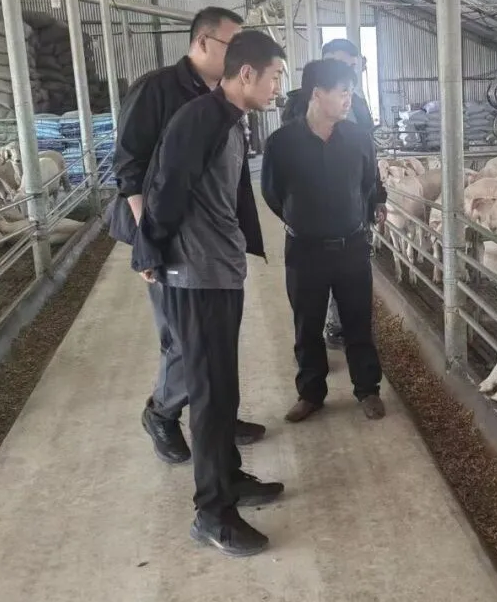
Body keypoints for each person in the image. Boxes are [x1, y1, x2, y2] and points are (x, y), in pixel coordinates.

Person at [131, 30, 287, 557]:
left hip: (218, 271)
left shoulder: (229, 120)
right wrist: (150, 250)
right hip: (194, 276)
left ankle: (230, 478)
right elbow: (165, 186)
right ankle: (212, 515)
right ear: (246, 73)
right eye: (274, 76)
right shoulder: (200, 119)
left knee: (224, 390)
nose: (277, 87)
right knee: (208, 393)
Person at [107, 6, 267, 465]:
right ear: (201, 42)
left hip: (210, 240)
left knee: (214, 341)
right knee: (183, 339)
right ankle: (162, 412)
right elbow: (130, 168)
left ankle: (216, 416)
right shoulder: (158, 90)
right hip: (168, 238)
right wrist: (149, 244)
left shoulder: (224, 95)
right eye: (231, 45)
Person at [261, 59, 387, 423]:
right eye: (343, 92)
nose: (349, 99)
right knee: (307, 324)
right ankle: (311, 393)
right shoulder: (282, 143)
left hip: (352, 246)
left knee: (358, 321)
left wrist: (366, 209)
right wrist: (302, 221)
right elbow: (272, 193)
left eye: (351, 91)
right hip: (305, 250)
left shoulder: (359, 139)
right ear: (317, 94)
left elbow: (369, 183)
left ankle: (367, 389)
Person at [280, 38, 382, 351]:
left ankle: (340, 328)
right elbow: (277, 182)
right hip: (309, 223)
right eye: (340, 64)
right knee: (310, 293)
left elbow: (369, 157)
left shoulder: (358, 105)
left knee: (351, 285)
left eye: (352, 66)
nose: (348, 72)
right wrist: (297, 212)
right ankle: (312, 347)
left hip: (352, 216)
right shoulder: (297, 105)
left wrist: (374, 198)